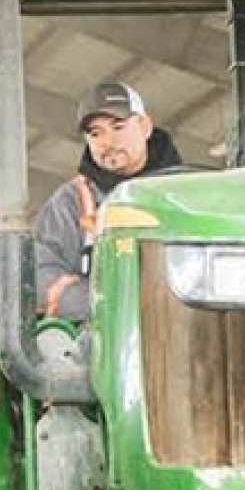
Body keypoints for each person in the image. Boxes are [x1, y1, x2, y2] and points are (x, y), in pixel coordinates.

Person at [35, 81, 182, 322]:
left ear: (144, 126)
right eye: (96, 133)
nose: (108, 142)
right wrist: (110, 305)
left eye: (118, 127)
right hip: (100, 336)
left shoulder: (187, 194)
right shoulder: (71, 203)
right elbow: (40, 277)